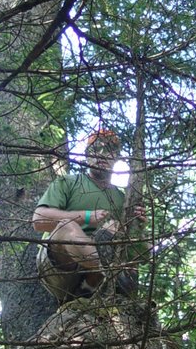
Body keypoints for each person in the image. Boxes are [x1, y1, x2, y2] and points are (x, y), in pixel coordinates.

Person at [33, 128, 146, 304]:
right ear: (87, 155)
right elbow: (39, 220)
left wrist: (138, 227)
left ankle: (95, 282)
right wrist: (85, 217)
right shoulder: (68, 182)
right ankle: (108, 270)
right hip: (60, 264)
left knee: (116, 231)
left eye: (109, 150)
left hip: (94, 276)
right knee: (68, 226)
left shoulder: (123, 200)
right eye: (95, 149)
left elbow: (140, 254)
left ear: (116, 158)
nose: (101, 155)